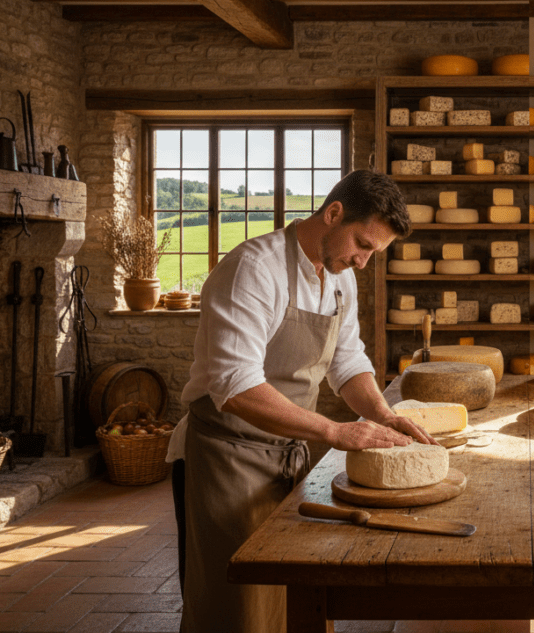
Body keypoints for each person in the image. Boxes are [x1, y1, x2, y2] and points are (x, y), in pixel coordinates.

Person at [168, 169, 436, 633]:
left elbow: (347, 362)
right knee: (236, 608)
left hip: (286, 451)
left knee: (294, 595)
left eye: (374, 252)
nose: (364, 262)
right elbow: (234, 384)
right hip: (225, 459)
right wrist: (334, 431)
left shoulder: (338, 277)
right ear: (333, 214)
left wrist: (385, 416)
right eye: (364, 245)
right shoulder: (254, 268)